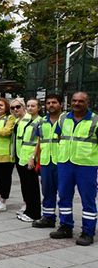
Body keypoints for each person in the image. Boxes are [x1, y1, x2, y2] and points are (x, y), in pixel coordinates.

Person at [50, 92, 98, 246]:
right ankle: (65, 226)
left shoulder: (95, 120)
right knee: (63, 195)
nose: (77, 103)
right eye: (74, 100)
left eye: (81, 101)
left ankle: (88, 232)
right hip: (65, 163)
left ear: (87, 102)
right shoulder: (63, 119)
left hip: (87, 165)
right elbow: (58, 137)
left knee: (88, 199)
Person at [32, 93, 63, 228]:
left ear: (60, 104)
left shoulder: (66, 120)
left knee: (63, 193)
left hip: (62, 161)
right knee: (47, 191)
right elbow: (39, 141)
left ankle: (65, 221)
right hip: (46, 162)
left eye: (54, 102)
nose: (51, 105)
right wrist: (34, 158)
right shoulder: (42, 121)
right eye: (49, 103)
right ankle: (48, 218)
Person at [14, 98, 42, 222]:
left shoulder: (40, 121)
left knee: (32, 186)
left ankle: (34, 213)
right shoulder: (27, 120)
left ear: (39, 108)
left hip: (31, 157)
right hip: (23, 156)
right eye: (29, 106)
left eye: (33, 106)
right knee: (26, 185)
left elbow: (39, 142)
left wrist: (33, 158)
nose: (30, 108)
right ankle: (28, 210)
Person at [10, 98, 28, 215]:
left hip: (26, 156)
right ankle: (26, 203)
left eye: (18, 107)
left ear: (23, 107)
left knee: (28, 182)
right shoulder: (17, 121)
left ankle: (29, 205)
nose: (15, 109)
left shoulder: (28, 120)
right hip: (18, 154)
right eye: (13, 108)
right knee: (23, 182)